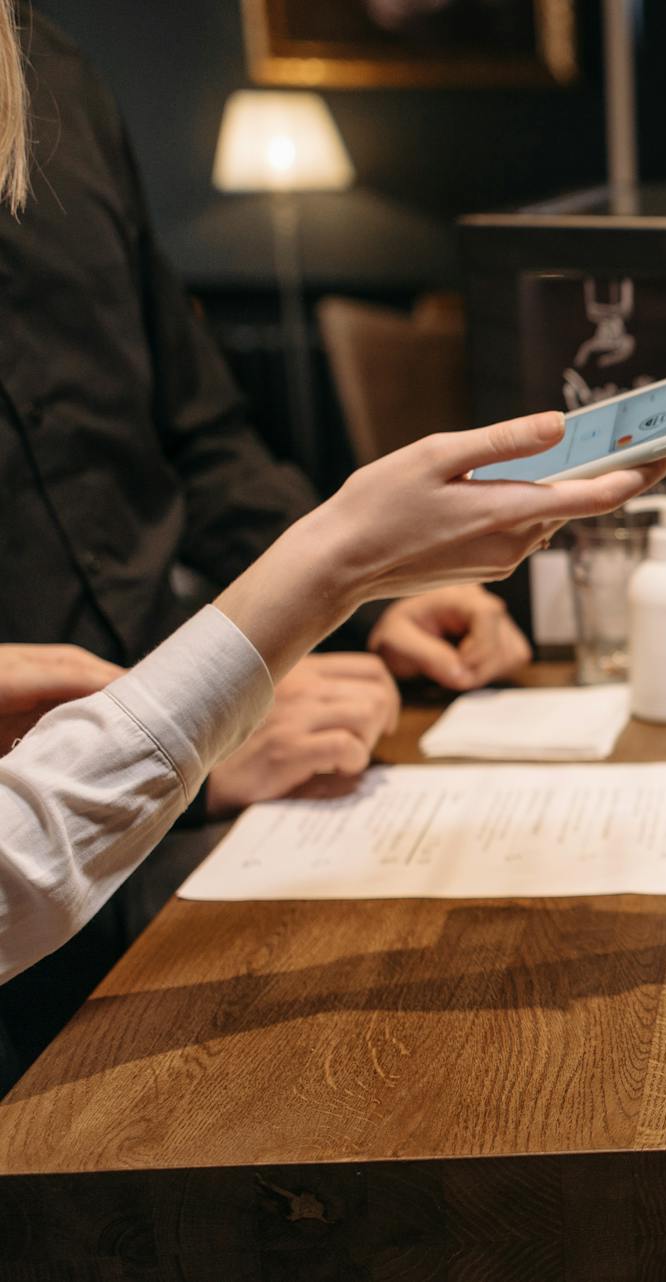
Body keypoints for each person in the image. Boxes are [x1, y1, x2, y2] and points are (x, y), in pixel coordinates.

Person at [0, 8, 553, 1067]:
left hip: (186, 813)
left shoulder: (59, 80)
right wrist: (197, 747)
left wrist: (380, 603)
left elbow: (203, 434)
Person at [0, 416, 666, 999]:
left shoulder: (112, 260)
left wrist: (368, 606)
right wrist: (335, 568)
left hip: (166, 722)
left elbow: (210, 454)